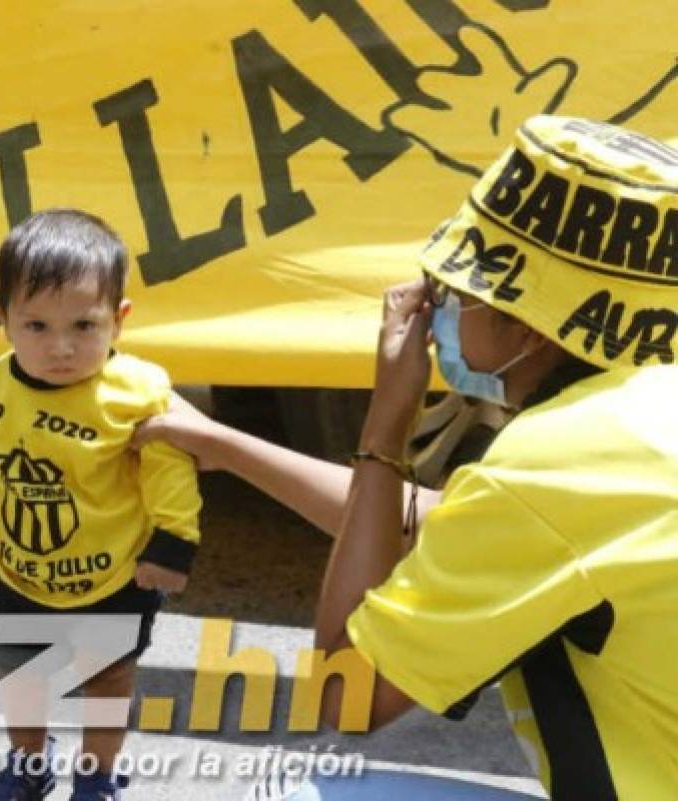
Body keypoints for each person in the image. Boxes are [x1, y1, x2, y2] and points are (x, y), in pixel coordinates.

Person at [135, 115, 678, 800]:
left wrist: (386, 425)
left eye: (458, 288)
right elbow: (445, 523)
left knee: (291, 793)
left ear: (531, 324)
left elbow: (346, 696)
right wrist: (227, 447)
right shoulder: (634, 424)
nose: (437, 306)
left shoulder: (550, 466)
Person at [0, 208, 202, 801]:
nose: (61, 348)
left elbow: (170, 473)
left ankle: (97, 778)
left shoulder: (136, 395)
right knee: (22, 675)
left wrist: (173, 543)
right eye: (36, 327)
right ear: (3, 320)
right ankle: (28, 768)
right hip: (22, 573)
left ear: (119, 320)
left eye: (84, 325)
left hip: (116, 575)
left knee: (108, 677)